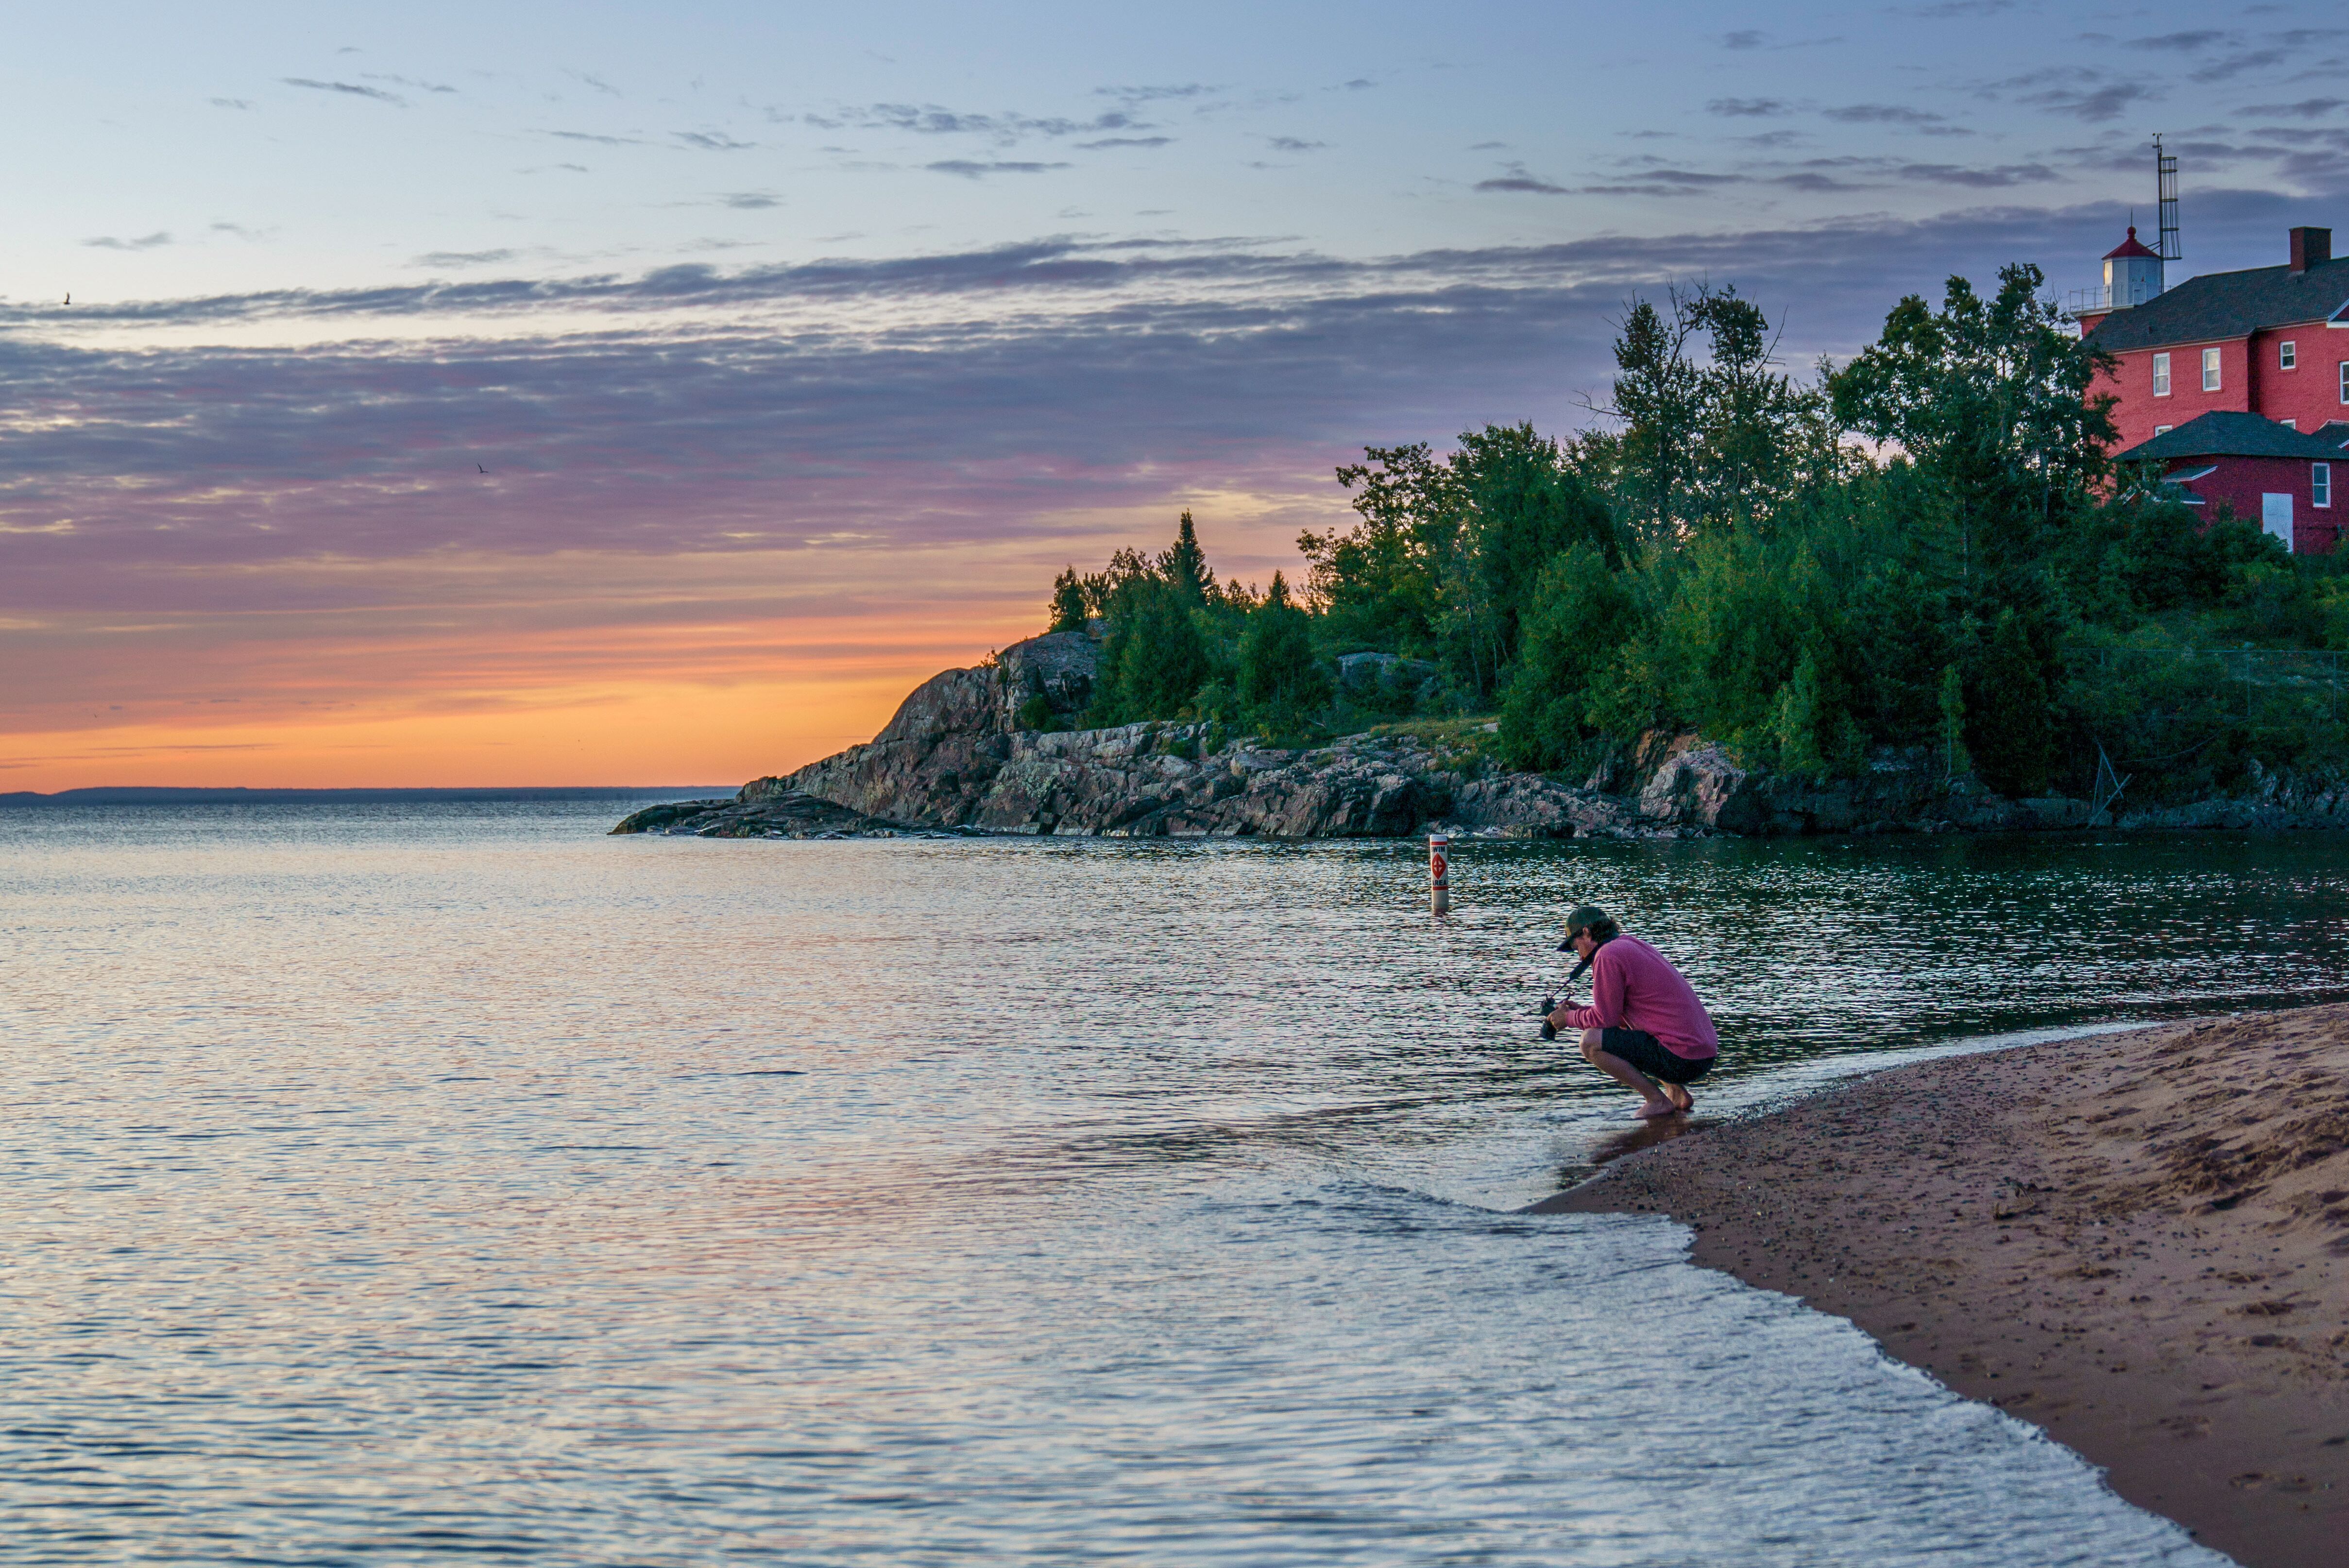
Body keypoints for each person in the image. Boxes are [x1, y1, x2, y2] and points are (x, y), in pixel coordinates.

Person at [1545, 904, 1719, 1120]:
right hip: (1703, 1054)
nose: (1578, 955)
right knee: (1625, 1026)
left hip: (1684, 1060)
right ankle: (1677, 1094)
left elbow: (1605, 1020)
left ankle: (1656, 1101)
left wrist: (1568, 1019)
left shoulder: (1607, 955)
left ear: (1587, 932)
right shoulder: (1629, 944)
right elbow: (1615, 1016)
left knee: (1589, 1042)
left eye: (1574, 945)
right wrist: (1580, 1011)